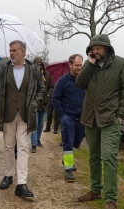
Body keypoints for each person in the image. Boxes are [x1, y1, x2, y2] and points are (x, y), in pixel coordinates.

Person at [75, 34, 124, 209]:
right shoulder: (90, 65)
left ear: (107, 48)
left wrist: (121, 114)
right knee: (93, 157)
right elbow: (80, 83)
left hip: (110, 119)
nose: (95, 51)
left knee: (108, 157)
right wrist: (89, 65)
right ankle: (95, 190)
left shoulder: (121, 64)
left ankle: (110, 199)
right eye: (92, 48)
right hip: (91, 117)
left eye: (98, 48)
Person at [0, 40, 45, 197]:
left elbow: (41, 89)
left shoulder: (33, 69)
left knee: (24, 147)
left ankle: (22, 183)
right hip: (8, 114)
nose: (11, 53)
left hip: (26, 114)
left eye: (14, 50)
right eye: (10, 50)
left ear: (23, 52)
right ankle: (8, 175)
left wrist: (34, 104)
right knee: (8, 146)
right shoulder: (4, 68)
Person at [51, 54, 85, 182]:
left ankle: (67, 159)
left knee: (76, 142)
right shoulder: (62, 81)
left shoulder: (84, 81)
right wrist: (63, 115)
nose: (79, 68)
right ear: (70, 65)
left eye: (81, 65)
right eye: (77, 65)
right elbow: (54, 99)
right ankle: (69, 169)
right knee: (68, 142)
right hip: (68, 117)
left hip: (81, 118)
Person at [30, 57, 53, 153]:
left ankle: (38, 139)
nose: (39, 66)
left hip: (44, 103)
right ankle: (34, 144)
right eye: (37, 65)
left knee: (40, 124)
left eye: (40, 65)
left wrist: (48, 95)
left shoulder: (47, 75)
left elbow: (51, 86)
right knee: (34, 124)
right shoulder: (31, 75)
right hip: (35, 102)